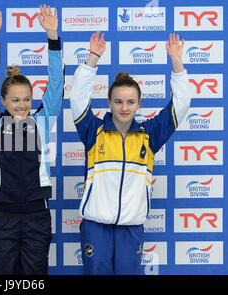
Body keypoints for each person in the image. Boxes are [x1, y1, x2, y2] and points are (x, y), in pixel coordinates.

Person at [70, 31, 190, 274]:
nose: (124, 108)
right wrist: (93, 58)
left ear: (139, 104)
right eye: (118, 102)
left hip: (131, 227)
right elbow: (78, 98)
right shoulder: (94, 130)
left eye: (130, 102)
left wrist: (177, 63)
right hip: (96, 226)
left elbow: (181, 104)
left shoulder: (150, 133)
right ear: (109, 103)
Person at [0, 3, 63, 275]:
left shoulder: (42, 121)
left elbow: (56, 83)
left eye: (27, 99)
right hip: (0, 216)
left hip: (37, 215)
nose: (22, 105)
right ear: (2, 100)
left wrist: (52, 39)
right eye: (15, 100)